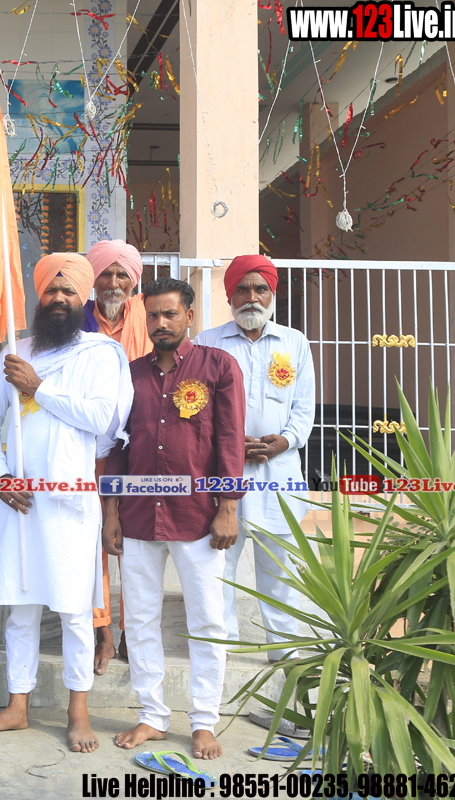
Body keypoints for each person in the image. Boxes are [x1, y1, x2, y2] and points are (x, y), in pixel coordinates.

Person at [0, 253, 132, 753]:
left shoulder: (100, 354)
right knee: (20, 610)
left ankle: (77, 710)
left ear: (83, 299)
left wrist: (39, 388)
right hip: (17, 502)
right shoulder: (15, 351)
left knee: (75, 612)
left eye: (68, 291)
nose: (58, 298)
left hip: (69, 505)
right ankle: (17, 706)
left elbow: (101, 420)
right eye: (51, 291)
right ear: (39, 296)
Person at [104, 278, 245, 761]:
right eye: (153, 315)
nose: (160, 323)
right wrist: (111, 512)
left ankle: (204, 721)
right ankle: (152, 715)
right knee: (140, 619)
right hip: (139, 515)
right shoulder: (131, 374)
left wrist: (228, 507)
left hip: (199, 517)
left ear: (190, 317)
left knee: (207, 619)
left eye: (170, 314)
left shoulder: (218, 366)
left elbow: (229, 440)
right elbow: (117, 447)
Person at [194, 255, 315, 661]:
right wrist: (226, 444)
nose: (251, 297)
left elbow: (304, 408)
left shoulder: (295, 342)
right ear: (229, 295)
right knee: (218, 567)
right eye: (242, 289)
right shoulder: (208, 342)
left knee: (279, 569)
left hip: (279, 473)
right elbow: (196, 408)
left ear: (272, 294)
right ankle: (221, 650)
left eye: (260, 289)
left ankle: (284, 653)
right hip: (221, 474)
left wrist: (284, 441)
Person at [82, 239, 152, 670]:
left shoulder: (148, 315)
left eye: (121, 274)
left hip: (142, 445)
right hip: (89, 447)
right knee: (95, 539)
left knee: (136, 540)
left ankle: (133, 633)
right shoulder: (76, 320)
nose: (112, 282)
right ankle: (102, 632)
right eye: (105, 273)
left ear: (133, 280)